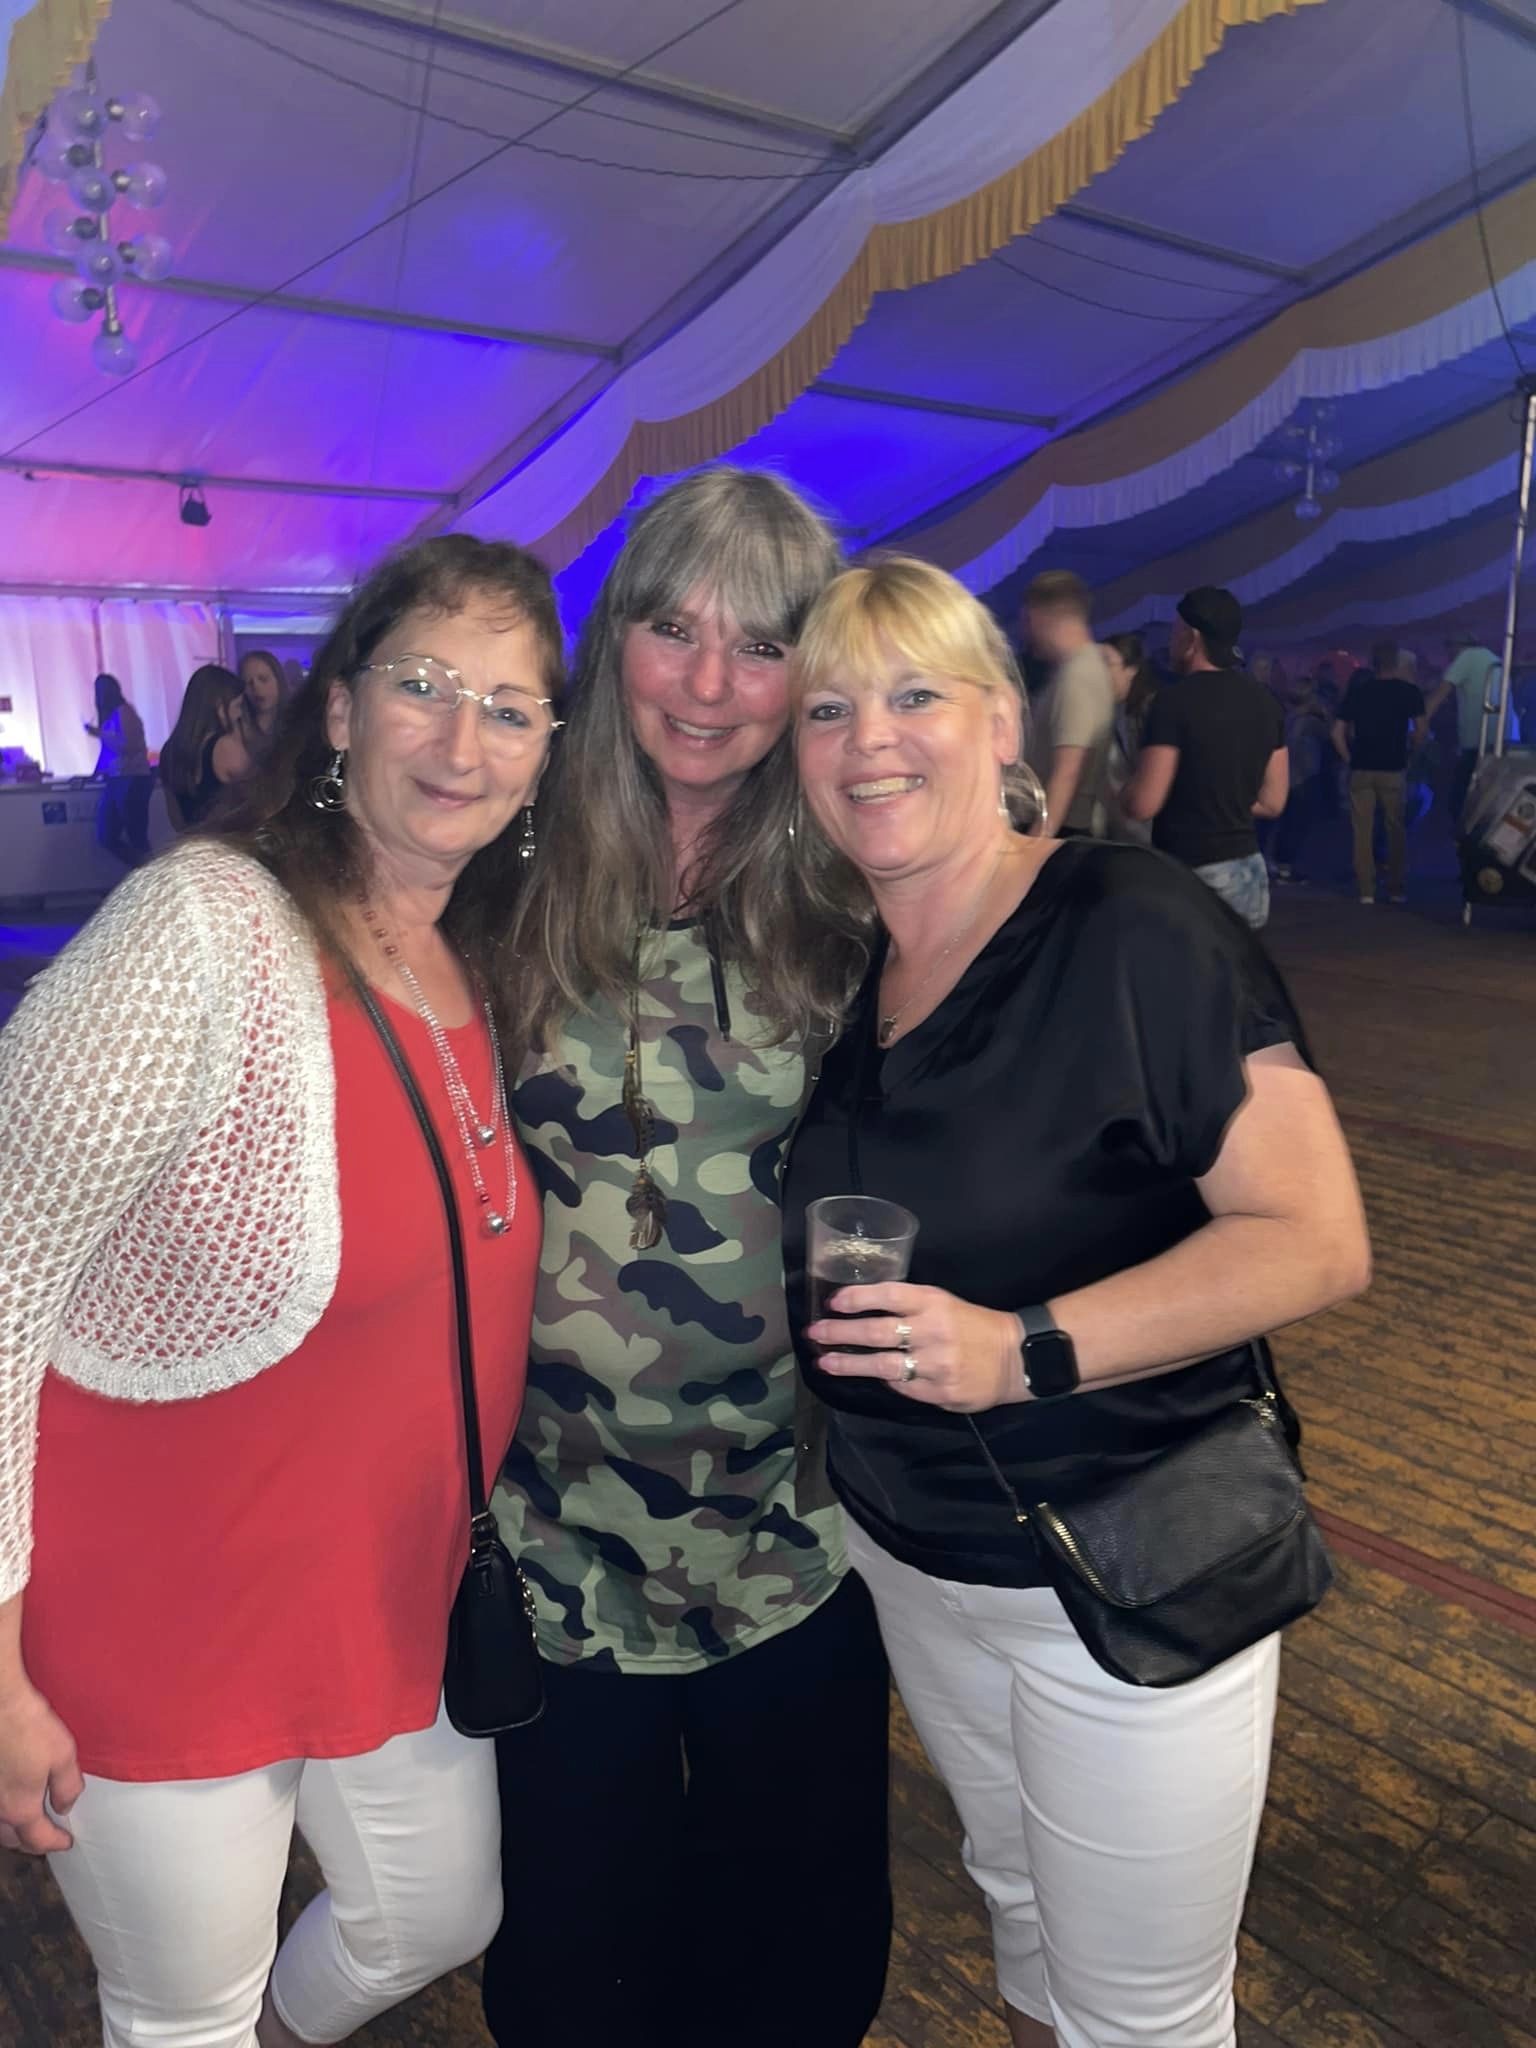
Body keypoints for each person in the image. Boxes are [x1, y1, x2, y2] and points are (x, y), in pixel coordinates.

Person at [783, 554, 1370, 2048]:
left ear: (1003, 723)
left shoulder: (1128, 920)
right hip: (922, 1559)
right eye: (829, 709)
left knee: (1144, 2015)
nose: (869, 740)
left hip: (1126, 1564)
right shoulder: (858, 967)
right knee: (1025, 1921)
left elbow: (1314, 1238)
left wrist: (1024, 1349)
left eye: (914, 695)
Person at [0, 535, 562, 2048]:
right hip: (159, 1604)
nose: (462, 741)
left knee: (434, 1914)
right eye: (424, 685)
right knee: (181, 2007)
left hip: (384, 1591)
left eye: (509, 709)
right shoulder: (202, 927)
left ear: (545, 757)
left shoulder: (477, 953)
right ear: (342, 707)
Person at [482, 467, 891, 2048]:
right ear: (616, 641)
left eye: (762, 644)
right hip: (547, 1549)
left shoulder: (856, 893)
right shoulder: (501, 870)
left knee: (795, 1973)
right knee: (571, 1974)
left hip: (796, 1541)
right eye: (675, 630)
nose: (710, 686)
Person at [1123, 586, 1288, 928]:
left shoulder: (1173, 703)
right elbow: (1273, 802)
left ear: (1192, 637)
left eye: (1174, 632)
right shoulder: (1266, 702)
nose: (1171, 642)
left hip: (1193, 872)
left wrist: (1117, 790)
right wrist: (1225, 800)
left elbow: (1144, 804)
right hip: (1249, 875)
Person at [1021, 570, 1115, 838]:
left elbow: (1068, 772)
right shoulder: (1086, 668)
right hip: (1065, 828)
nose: (1026, 632)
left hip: (1059, 830)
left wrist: (1035, 845)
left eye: (1027, 621)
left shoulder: (1077, 675)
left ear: (1039, 616)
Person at [1333, 643, 1427, 905]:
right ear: (1395, 663)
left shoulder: (1359, 692)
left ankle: (1366, 890)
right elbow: (1421, 731)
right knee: (1395, 828)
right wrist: (1410, 753)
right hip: (1393, 768)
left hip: (1362, 768)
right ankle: (1396, 888)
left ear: (1372, 663)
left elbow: (1337, 733)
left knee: (1362, 831)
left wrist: (1349, 759)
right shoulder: (1409, 692)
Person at [159, 662, 251, 830]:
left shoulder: (169, 751)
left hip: (192, 841)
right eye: (237, 706)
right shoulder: (225, 747)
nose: (239, 714)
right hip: (227, 841)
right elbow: (255, 801)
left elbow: (176, 820)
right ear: (219, 706)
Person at [84, 672, 154, 867]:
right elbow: (108, 753)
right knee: (107, 835)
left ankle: (145, 872)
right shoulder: (112, 716)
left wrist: (100, 734)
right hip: (117, 779)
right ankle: (142, 870)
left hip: (132, 778)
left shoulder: (124, 712)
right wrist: (95, 774)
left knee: (135, 836)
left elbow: (129, 745)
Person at [1272, 671, 1332, 883]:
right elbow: (1329, 737)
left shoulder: (1287, 716)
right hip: (1304, 777)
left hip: (1287, 775)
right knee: (1297, 824)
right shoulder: (1309, 721)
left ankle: (1282, 865)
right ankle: (1285, 868)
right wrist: (1325, 716)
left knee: (1289, 823)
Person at [1101, 631, 1159, 843]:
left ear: (1131, 669)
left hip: (1148, 827)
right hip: (1124, 827)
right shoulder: (1110, 711)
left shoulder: (1150, 709)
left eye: (1107, 664)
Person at [1441, 632, 1502, 823]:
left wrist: (1420, 720)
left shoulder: (1468, 656)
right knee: (1487, 798)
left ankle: (1464, 834)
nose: (1448, 654)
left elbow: (1439, 694)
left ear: (1458, 646)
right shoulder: (1492, 659)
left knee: (1459, 801)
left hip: (1480, 742)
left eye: (1449, 647)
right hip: (1500, 739)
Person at [239, 647, 288, 758]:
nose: (256, 687)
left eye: (263, 679)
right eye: (248, 682)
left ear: (278, 680)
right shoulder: (239, 731)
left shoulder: (297, 722)